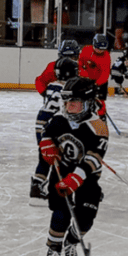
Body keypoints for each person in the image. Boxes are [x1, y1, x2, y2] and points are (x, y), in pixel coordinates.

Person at [38, 76, 107, 256]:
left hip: (87, 177)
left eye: (74, 104)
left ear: (87, 104)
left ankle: (71, 241)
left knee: (85, 219)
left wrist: (75, 179)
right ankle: (53, 249)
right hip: (62, 171)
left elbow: (93, 159)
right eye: (66, 103)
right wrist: (47, 144)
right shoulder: (60, 119)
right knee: (61, 214)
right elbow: (47, 133)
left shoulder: (99, 127)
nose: (68, 108)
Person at [30, 53, 78, 199]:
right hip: (53, 126)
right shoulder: (69, 89)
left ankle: (37, 186)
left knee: (45, 157)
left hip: (40, 124)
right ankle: (66, 186)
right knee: (66, 156)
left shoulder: (51, 85)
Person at [78, 33, 112, 109]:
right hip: (84, 80)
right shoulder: (86, 50)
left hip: (99, 82)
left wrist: (96, 84)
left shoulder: (106, 56)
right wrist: (84, 77)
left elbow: (105, 74)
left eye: (103, 49)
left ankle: (101, 115)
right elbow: (79, 65)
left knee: (100, 101)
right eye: (98, 48)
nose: (100, 51)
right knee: (81, 99)